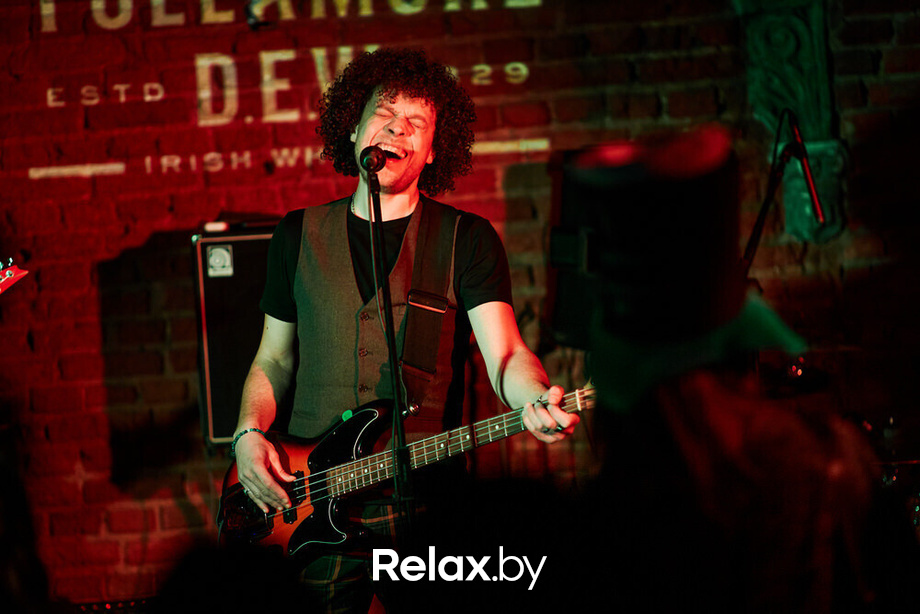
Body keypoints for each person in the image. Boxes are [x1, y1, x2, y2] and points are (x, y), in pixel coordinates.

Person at [229, 47, 578, 611]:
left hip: (426, 500)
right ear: (352, 130)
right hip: (310, 499)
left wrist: (536, 396)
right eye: (385, 113)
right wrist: (249, 435)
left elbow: (507, 354)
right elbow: (273, 359)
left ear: (433, 150)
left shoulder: (466, 238)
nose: (397, 127)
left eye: (415, 122)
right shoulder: (297, 235)